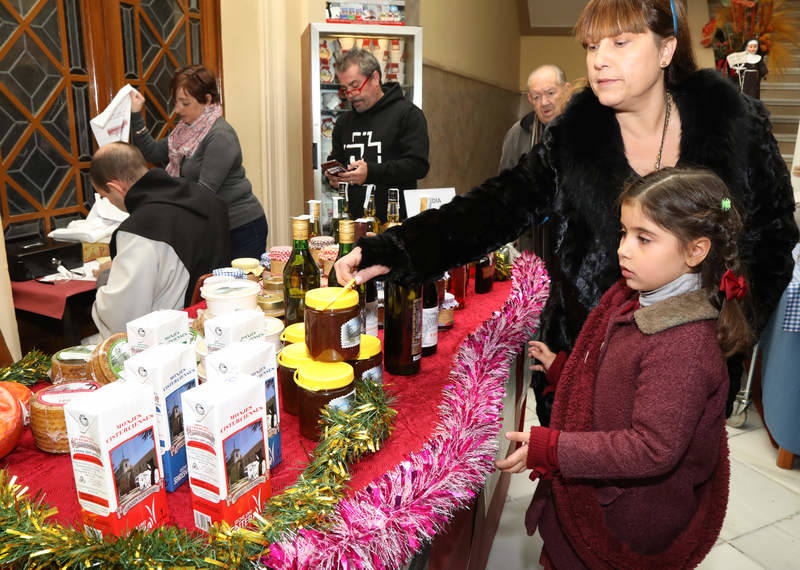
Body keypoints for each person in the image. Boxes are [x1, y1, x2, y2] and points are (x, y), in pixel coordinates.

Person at [334, 0, 798, 426]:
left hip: (693, 374)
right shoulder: (575, 137)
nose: (599, 59)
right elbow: (495, 207)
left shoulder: (734, 124)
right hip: (583, 368)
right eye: (593, 45)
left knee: (670, 508)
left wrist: (732, 332)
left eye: (621, 42)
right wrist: (396, 249)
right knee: (576, 508)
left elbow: (774, 237)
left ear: (666, 49)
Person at [496, 168, 746, 568]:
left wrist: (554, 447)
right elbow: (617, 376)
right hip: (594, 498)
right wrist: (564, 369)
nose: (623, 250)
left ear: (696, 251)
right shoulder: (637, 296)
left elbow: (651, 448)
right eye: (624, 233)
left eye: (644, 238)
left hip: (622, 525)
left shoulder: (684, 347)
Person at [90, 142, 230, 337]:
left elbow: (121, 318)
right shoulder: (206, 198)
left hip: (170, 340)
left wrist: (105, 278)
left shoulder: (141, 231)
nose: (111, 203)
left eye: (106, 197)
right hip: (220, 322)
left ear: (116, 187)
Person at [129, 65, 266, 260]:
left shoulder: (220, 135)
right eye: (176, 102)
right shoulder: (185, 132)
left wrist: (163, 208)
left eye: (185, 103)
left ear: (207, 100)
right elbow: (152, 153)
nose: (177, 110)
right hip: (214, 226)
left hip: (241, 227)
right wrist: (136, 115)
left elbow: (204, 193)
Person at [325, 49, 430, 222]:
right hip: (350, 225)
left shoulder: (408, 114)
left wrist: (370, 172)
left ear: (375, 78)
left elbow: (418, 165)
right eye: (345, 89)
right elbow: (337, 160)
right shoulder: (343, 123)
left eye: (355, 85)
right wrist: (334, 177)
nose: (351, 95)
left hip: (396, 225)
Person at [498, 65, 571, 173]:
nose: (544, 103)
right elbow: (504, 182)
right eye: (536, 97)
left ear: (567, 91)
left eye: (550, 93)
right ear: (530, 99)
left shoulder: (585, 125)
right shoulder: (518, 132)